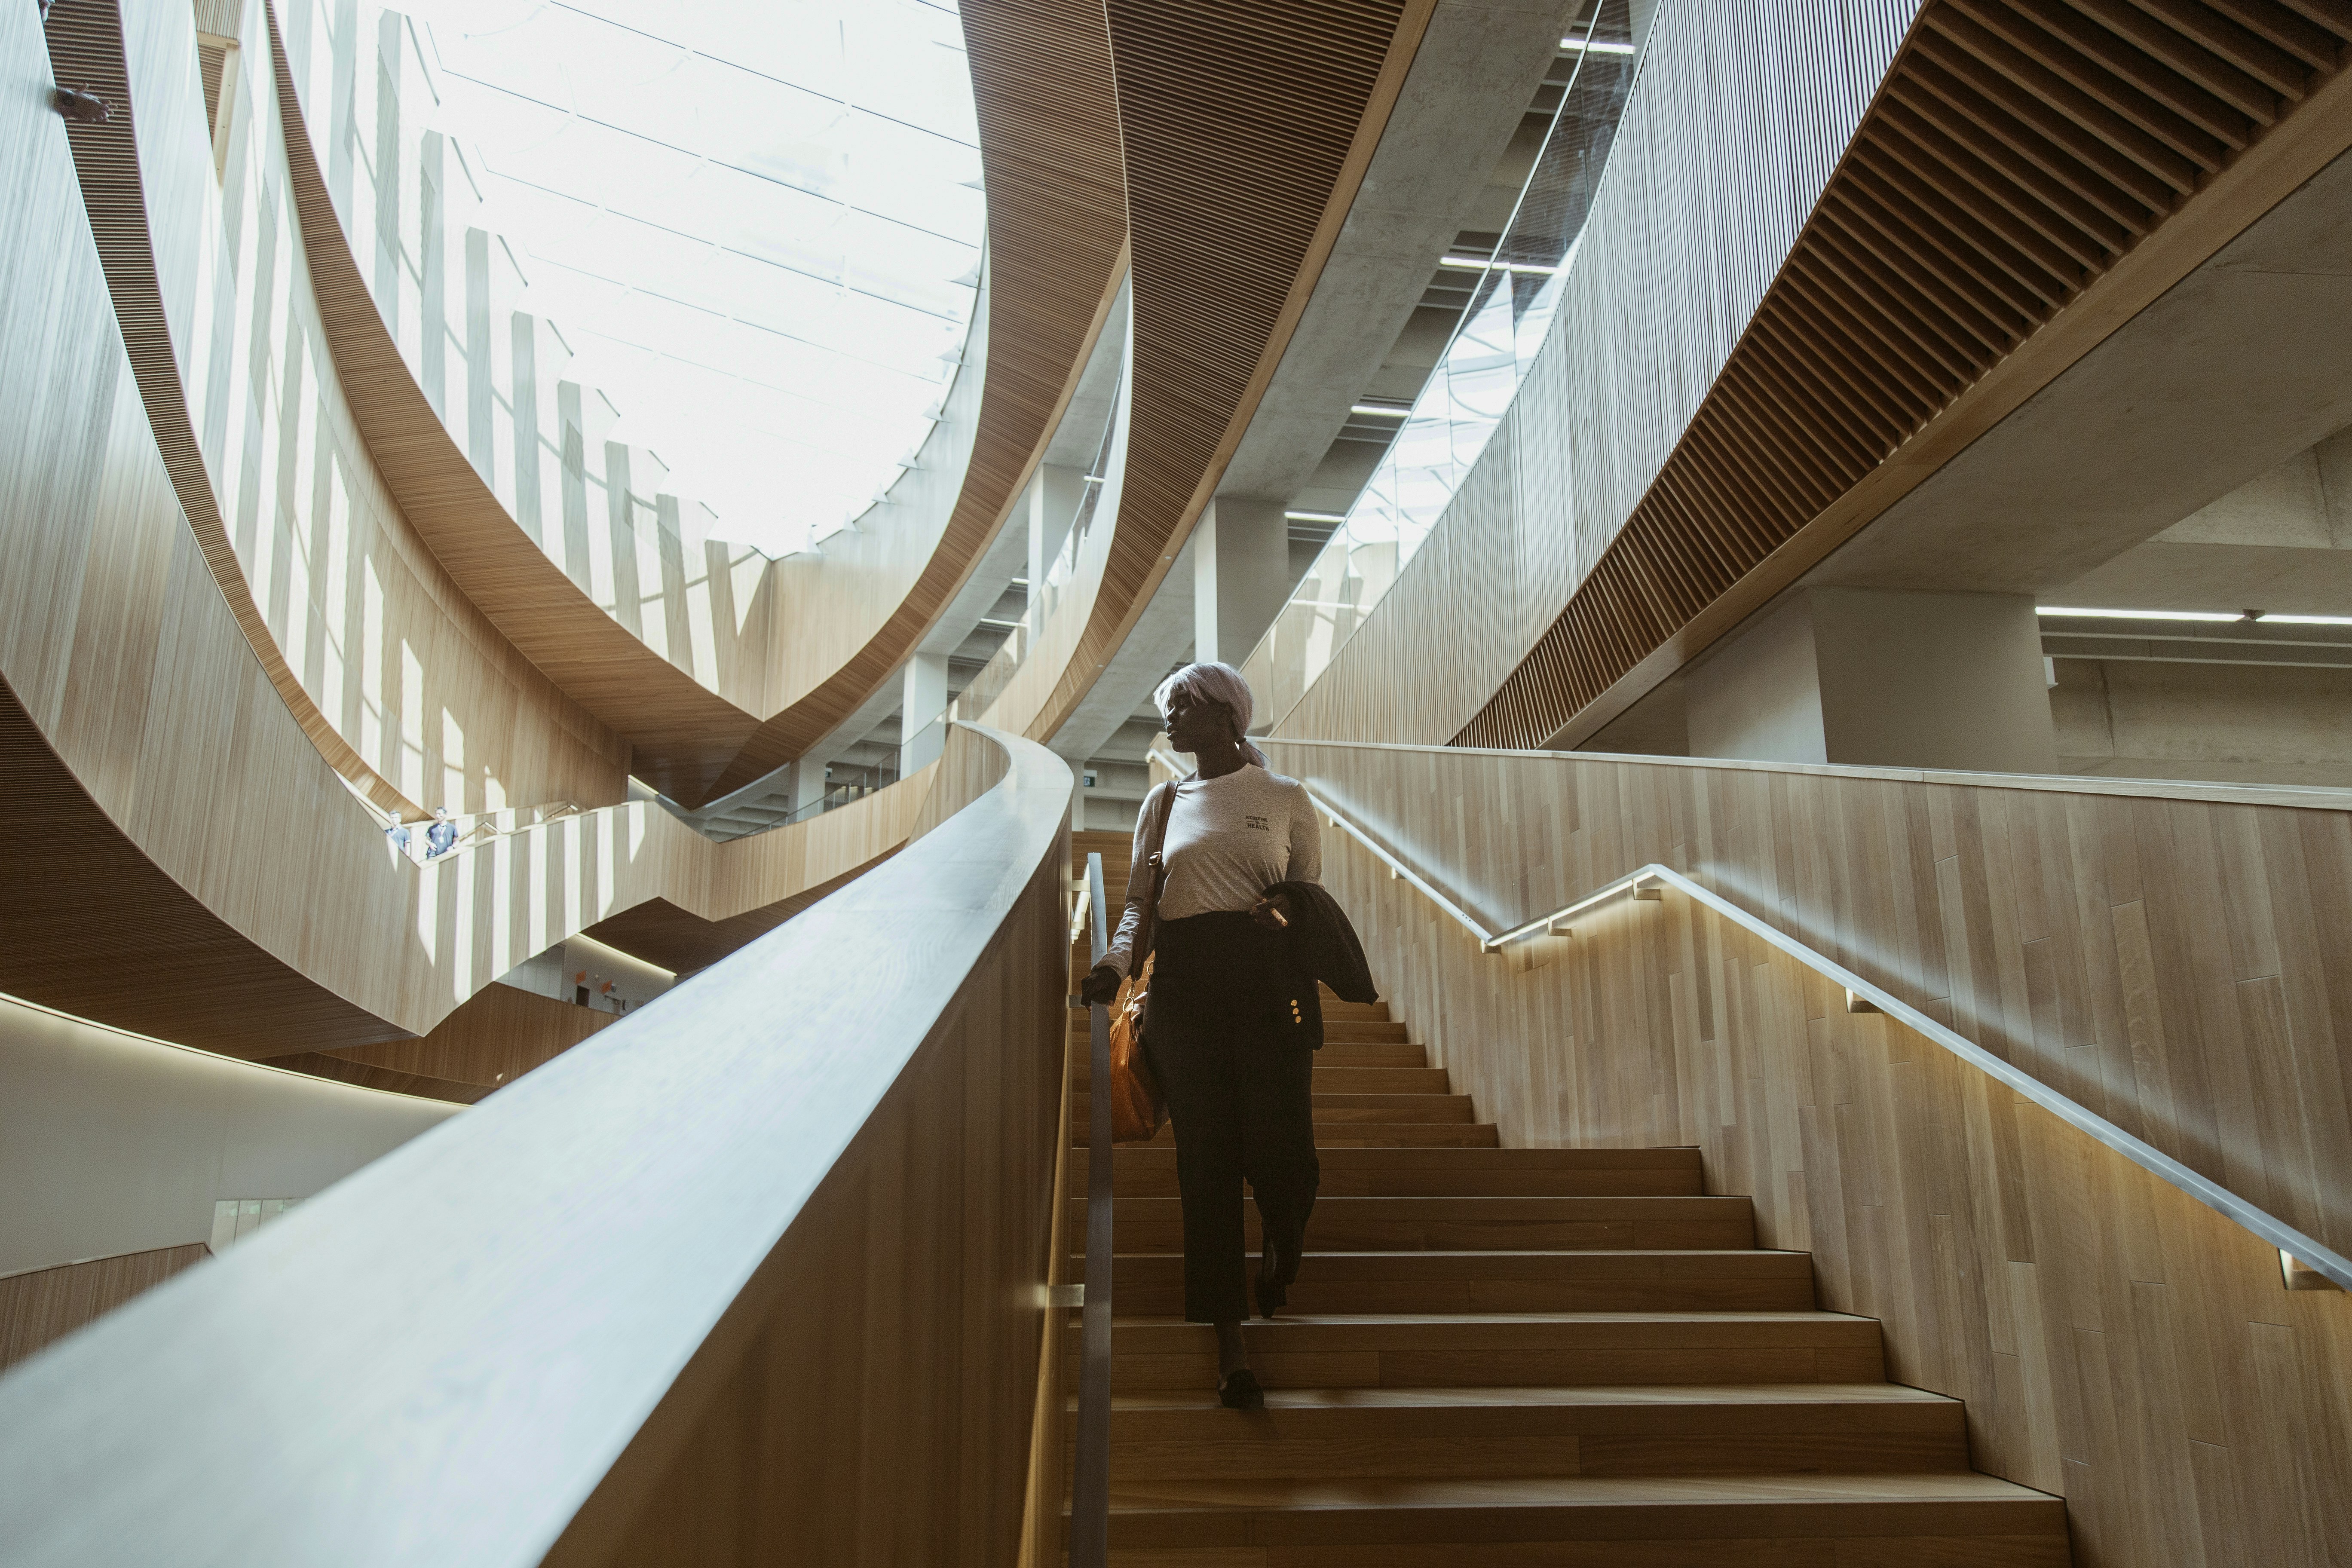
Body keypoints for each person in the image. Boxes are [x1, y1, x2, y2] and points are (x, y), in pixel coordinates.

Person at [1079, 662, 1320, 1412]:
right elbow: (1137, 905)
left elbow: (1311, 899)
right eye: (1169, 709)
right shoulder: (1164, 801)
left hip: (1266, 987)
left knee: (1284, 1156)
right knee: (1206, 1165)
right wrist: (1116, 965)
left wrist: (1282, 909)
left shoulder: (1285, 799)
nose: (1171, 721)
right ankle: (1230, 1344)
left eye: (1183, 707)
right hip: (1183, 991)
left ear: (1228, 717)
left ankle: (1282, 1241)